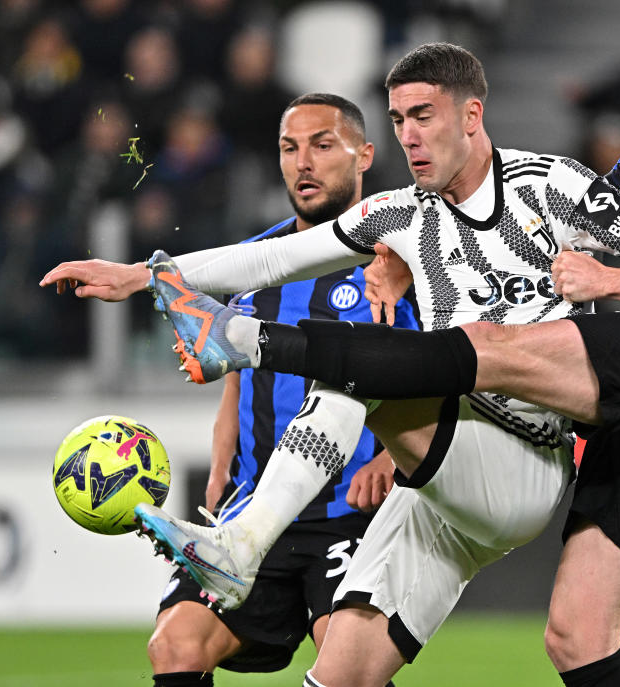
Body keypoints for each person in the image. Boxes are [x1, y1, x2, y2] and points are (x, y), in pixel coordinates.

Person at [41, 37, 620, 686]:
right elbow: (269, 257)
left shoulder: (548, 186)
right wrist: (142, 274)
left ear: (472, 114)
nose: (409, 136)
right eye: (398, 120)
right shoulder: (400, 215)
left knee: (361, 367)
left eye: (424, 115)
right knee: (342, 674)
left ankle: (241, 542)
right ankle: (242, 541)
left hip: (523, 461)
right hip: (440, 478)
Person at [144, 93, 417, 687]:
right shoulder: (252, 263)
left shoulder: (398, 269)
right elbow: (237, 369)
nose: (304, 163)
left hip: (351, 514)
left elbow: (435, 374)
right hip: (254, 510)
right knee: (175, 645)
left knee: (344, 662)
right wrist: (221, 461)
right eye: (290, 149)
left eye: (323, 146)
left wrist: (398, 456)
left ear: (364, 155)